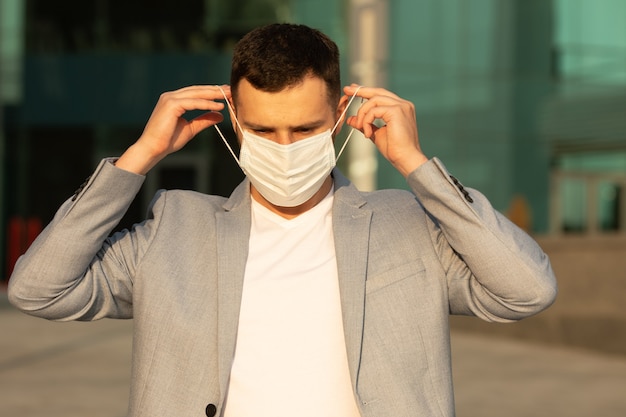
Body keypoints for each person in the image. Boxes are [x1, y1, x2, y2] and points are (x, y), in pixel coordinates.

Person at [8, 23, 557, 417]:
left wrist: (415, 165)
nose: (285, 147)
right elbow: (38, 290)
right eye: (265, 131)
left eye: (305, 129)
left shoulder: (408, 223)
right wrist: (137, 158)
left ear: (340, 118)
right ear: (236, 125)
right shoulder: (174, 227)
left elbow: (526, 291)